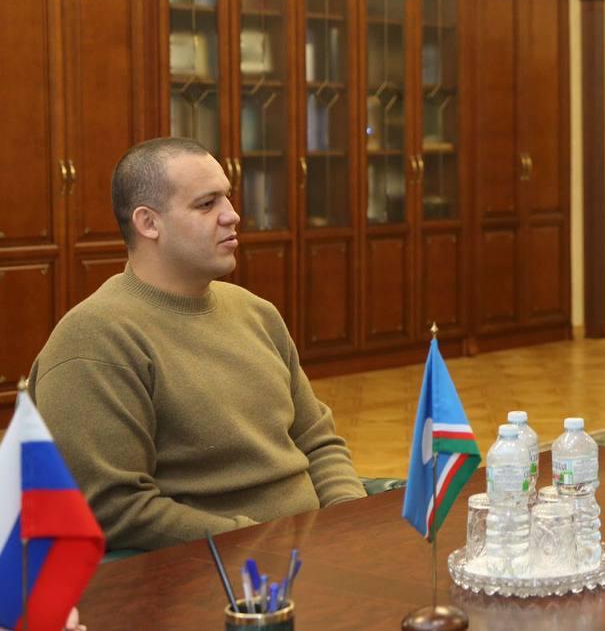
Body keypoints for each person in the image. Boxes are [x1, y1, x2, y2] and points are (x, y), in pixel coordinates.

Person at [28, 138, 365, 551]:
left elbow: (318, 441)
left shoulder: (256, 312)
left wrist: (349, 518)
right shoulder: (95, 338)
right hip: (222, 571)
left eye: (227, 196)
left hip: (314, 551)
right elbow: (113, 507)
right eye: (207, 204)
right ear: (149, 223)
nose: (232, 215)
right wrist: (266, 544)